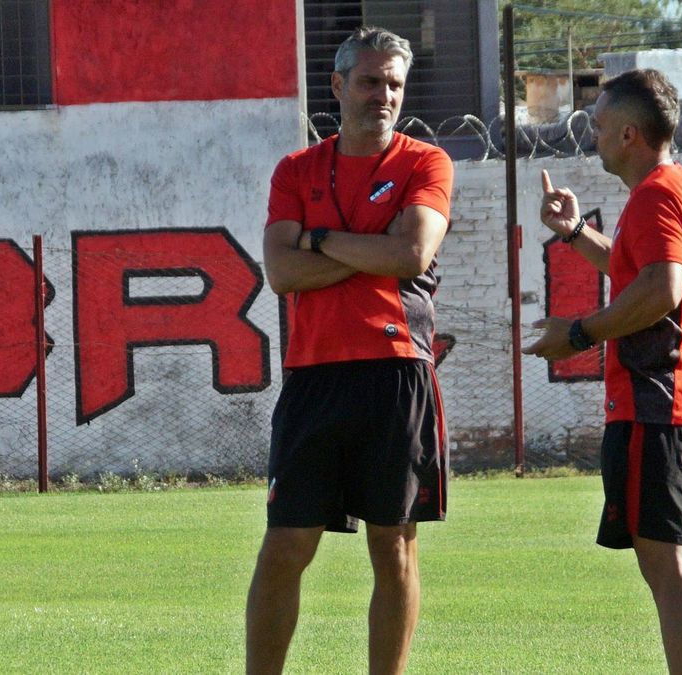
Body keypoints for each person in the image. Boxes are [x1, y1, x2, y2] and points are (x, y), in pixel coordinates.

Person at [245, 26, 453, 675]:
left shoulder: (426, 163)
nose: (383, 95)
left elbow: (412, 253)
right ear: (337, 86)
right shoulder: (295, 170)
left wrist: (319, 239)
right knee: (285, 545)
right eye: (370, 81)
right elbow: (281, 274)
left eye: (394, 82)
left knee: (394, 550)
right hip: (313, 377)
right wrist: (367, 249)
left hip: (396, 375)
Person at [524, 68, 682, 675]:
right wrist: (577, 232)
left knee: (670, 570)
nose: (594, 136)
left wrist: (579, 333)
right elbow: (641, 271)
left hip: (654, 404)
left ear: (631, 134)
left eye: (601, 125)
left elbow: (663, 288)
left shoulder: (657, 195)